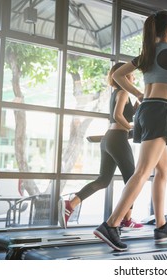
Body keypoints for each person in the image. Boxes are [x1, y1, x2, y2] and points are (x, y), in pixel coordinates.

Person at [93, 10, 167, 251]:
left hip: (146, 110)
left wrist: (139, 94)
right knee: (143, 171)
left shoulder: (147, 53)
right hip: (160, 110)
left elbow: (118, 75)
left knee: (164, 168)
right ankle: (111, 224)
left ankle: (161, 224)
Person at [58, 63, 143, 230]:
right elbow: (117, 116)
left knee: (103, 180)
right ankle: (127, 219)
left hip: (108, 139)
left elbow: (126, 114)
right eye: (131, 74)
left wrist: (138, 103)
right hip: (117, 138)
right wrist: (130, 127)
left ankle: (70, 205)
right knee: (132, 179)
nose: (134, 77)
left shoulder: (117, 93)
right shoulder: (124, 92)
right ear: (125, 76)